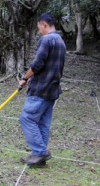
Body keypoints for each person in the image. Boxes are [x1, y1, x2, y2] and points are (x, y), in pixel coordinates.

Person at [18, 13, 66, 166]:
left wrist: (25, 78)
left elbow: (37, 64)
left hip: (41, 89)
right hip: (52, 89)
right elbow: (48, 65)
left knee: (27, 118)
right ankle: (38, 156)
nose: (39, 31)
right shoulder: (60, 41)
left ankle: (40, 152)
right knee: (43, 123)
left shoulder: (46, 40)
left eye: (39, 28)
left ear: (44, 25)